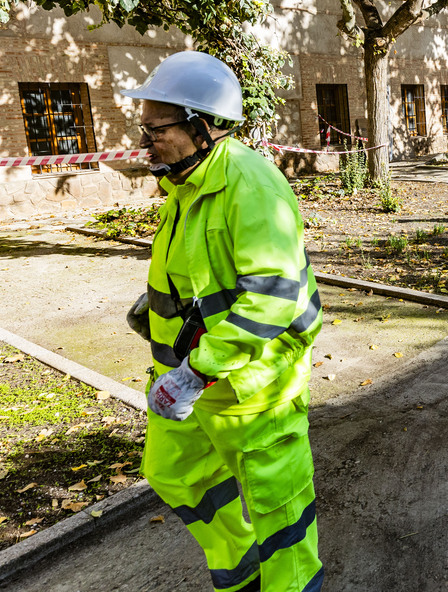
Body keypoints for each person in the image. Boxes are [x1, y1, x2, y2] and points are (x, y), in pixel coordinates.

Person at [123, 51, 325, 592]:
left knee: (278, 509)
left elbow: (273, 295)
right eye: (143, 128)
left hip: (251, 383)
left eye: (156, 129)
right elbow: (200, 272)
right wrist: (159, 307)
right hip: (189, 380)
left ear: (199, 126)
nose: (147, 140)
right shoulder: (186, 183)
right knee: (173, 472)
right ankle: (241, 572)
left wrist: (195, 373)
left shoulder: (248, 183)